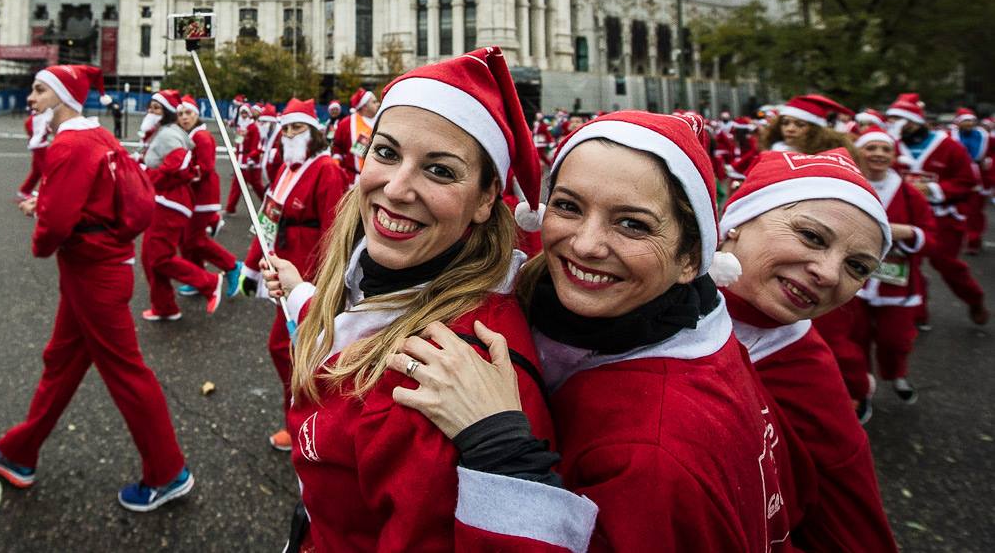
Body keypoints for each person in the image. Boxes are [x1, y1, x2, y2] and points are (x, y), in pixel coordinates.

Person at [398, 109, 794, 551]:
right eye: (568, 206)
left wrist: (502, 448)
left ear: (690, 258)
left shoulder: (656, 456)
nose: (586, 245)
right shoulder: (692, 332)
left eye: (632, 224)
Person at [266, 50, 574, 551]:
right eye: (386, 153)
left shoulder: (434, 376)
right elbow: (356, 323)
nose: (397, 187)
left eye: (439, 171)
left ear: (484, 198)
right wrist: (301, 291)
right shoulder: (382, 271)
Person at [0, 63, 196, 513]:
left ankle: (168, 472)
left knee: (126, 372)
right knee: (62, 361)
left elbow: (55, 224)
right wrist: (49, 205)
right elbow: (90, 198)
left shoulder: (69, 143)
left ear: (60, 96)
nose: (31, 99)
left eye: (38, 90)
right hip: (96, 266)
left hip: (93, 270)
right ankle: (20, 452)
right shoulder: (97, 137)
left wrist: (41, 226)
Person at [713, 146, 898, 551]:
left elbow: (854, 529)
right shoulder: (633, 282)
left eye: (857, 267)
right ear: (736, 223)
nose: (829, 274)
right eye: (812, 236)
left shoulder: (807, 376)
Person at [243, 97, 347, 451]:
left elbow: (335, 233)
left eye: (297, 127)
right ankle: (302, 416)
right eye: (286, 128)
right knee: (284, 348)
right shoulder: (286, 171)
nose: (289, 134)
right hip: (282, 275)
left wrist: (320, 284)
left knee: (293, 350)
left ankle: (309, 421)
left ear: (313, 132)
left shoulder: (327, 170)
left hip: (307, 279)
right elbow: (267, 220)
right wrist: (250, 264)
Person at [816, 125, 934, 416]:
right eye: (872, 148)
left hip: (896, 285)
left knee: (895, 340)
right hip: (851, 282)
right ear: (860, 152)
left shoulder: (910, 195)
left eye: (886, 149)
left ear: (895, 156)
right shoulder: (847, 189)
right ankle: (860, 389)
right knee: (852, 341)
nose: (879, 154)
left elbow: (932, 239)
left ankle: (896, 373)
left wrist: (908, 233)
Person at [887, 92, 988, 326]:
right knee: (908, 264)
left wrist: (933, 189)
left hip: (943, 217)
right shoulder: (890, 147)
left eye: (903, 122)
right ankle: (918, 312)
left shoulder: (949, 146)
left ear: (916, 123)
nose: (899, 127)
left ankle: (974, 299)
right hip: (906, 217)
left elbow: (967, 181)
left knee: (946, 264)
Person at [138, 90, 224, 320]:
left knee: (159, 257)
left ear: (166, 112)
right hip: (164, 200)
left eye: (156, 108)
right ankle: (164, 306)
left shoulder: (168, 134)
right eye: (150, 107)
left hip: (171, 202)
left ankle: (209, 282)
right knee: (150, 257)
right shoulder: (163, 132)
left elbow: (179, 165)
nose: (151, 111)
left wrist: (147, 175)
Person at [174, 95, 243, 299]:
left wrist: (175, 173)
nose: (184, 117)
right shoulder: (188, 135)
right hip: (193, 196)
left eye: (188, 113)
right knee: (186, 241)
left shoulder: (201, 137)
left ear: (197, 114)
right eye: (180, 114)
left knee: (195, 240)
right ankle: (198, 277)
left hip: (203, 197)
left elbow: (204, 168)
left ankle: (231, 265)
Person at [952, 107, 991, 253]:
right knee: (957, 210)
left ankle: (973, 241)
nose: (969, 124)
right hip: (957, 177)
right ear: (958, 123)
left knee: (975, 212)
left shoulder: (985, 137)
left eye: (971, 121)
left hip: (978, 179)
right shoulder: (950, 136)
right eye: (965, 121)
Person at [764, 94, 855, 153]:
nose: (790, 129)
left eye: (800, 124)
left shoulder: (829, 158)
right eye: (785, 123)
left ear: (815, 130)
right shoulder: (770, 154)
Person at [331, 88, 379, 179]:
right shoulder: (346, 124)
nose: (378, 104)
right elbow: (337, 147)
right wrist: (337, 164)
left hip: (378, 179)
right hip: (353, 180)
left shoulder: (383, 120)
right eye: (374, 102)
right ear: (364, 106)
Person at [224, 103, 263, 215]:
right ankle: (230, 208)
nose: (244, 115)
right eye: (242, 112)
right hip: (240, 160)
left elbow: (256, 146)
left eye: (246, 112)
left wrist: (250, 158)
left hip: (249, 161)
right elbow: (238, 143)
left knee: (256, 185)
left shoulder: (253, 127)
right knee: (237, 185)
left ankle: (267, 203)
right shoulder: (241, 126)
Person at [18, 98, 52, 202]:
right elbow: (40, 132)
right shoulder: (34, 120)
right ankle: (44, 194)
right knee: (46, 172)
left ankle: (24, 190)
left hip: (39, 146)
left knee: (37, 171)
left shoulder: (38, 118)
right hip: (38, 147)